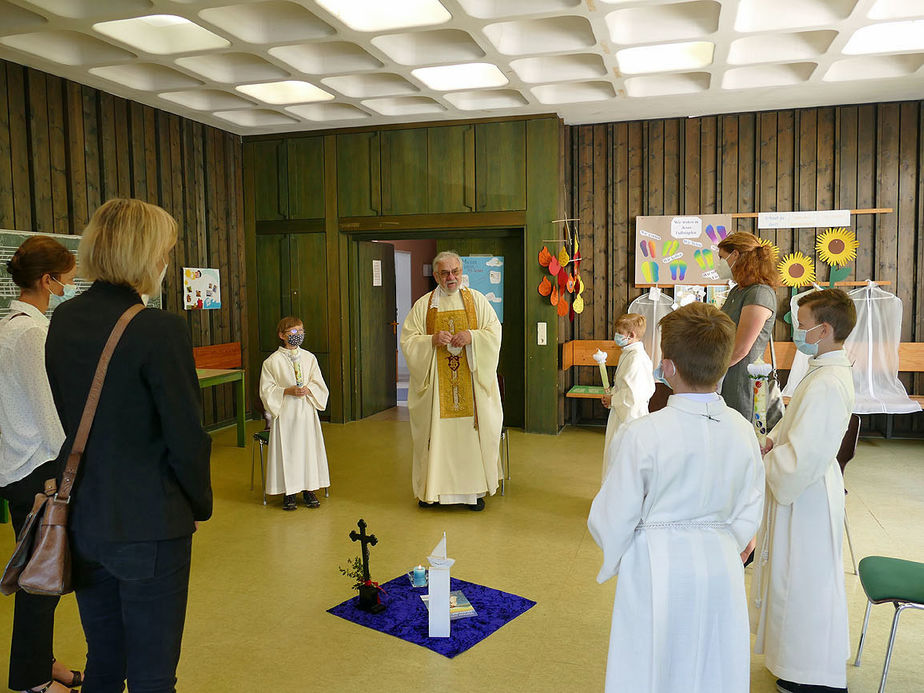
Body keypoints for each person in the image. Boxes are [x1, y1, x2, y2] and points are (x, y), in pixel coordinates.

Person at [44, 199, 212, 693]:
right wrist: (198, 503)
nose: (165, 262)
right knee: (152, 671)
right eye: (164, 252)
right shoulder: (160, 329)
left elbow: (70, 414)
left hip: (84, 515)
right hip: (150, 524)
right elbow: (185, 437)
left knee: (104, 658)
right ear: (144, 255)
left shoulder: (64, 319)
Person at [588, 302, 765, 692]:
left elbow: (614, 515)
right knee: (712, 664)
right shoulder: (741, 429)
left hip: (655, 564)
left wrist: (618, 553)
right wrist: (724, 542)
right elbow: (751, 504)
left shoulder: (643, 434)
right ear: (723, 365)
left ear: (666, 367)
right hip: (721, 564)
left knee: (653, 664)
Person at [750, 289, 857, 693]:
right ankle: (792, 662)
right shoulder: (821, 368)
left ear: (824, 329)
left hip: (807, 492)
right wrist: (772, 441)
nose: (795, 330)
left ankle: (812, 675)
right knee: (791, 578)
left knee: (804, 582)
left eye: (802, 323)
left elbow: (805, 456)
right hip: (805, 489)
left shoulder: (828, 380)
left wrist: (764, 462)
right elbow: (797, 424)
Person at [0, 236, 83, 693]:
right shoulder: (30, 334)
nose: (70, 285)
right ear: (47, 281)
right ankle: (31, 681)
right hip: (35, 467)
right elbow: (49, 412)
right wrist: (69, 465)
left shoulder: (10, 325)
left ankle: (41, 661)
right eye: (67, 278)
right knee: (40, 577)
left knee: (41, 570)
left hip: (17, 462)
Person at [399, 251, 503, 511]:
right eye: (444, 273)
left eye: (455, 271)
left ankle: (473, 493)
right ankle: (433, 493)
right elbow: (409, 341)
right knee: (437, 438)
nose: (451, 277)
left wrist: (472, 336)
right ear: (436, 275)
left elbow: (494, 332)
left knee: (470, 438)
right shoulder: (425, 305)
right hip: (437, 391)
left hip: (471, 386)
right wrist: (431, 340)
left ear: (461, 271)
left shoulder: (477, 301)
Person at [259, 316, 330, 511]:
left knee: (307, 450)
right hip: (286, 413)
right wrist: (287, 391)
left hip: (306, 411)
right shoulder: (272, 362)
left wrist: (309, 389)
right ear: (282, 335)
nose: (297, 335)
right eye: (292, 332)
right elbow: (266, 390)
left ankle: (309, 489)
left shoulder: (309, 358)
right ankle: (289, 492)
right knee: (288, 451)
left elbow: (318, 383)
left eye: (300, 331)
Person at [716, 231, 780, 419]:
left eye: (721, 257)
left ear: (735, 255)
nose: (718, 263)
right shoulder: (738, 290)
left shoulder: (759, 293)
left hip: (742, 381)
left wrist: (712, 373)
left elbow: (741, 348)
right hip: (727, 375)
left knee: (741, 435)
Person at [600, 313, 655, 478]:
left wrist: (614, 399)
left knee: (622, 458)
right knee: (614, 455)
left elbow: (634, 395)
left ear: (631, 335)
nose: (616, 336)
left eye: (619, 332)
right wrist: (612, 397)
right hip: (620, 411)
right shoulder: (629, 353)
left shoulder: (637, 359)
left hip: (630, 415)